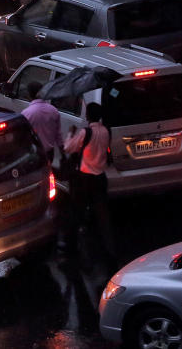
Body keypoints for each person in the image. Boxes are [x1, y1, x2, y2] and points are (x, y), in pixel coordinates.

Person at [62, 102, 114, 258]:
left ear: (88, 116)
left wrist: (70, 134)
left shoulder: (86, 133)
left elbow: (68, 148)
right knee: (102, 210)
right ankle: (108, 245)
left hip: (85, 178)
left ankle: (78, 244)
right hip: (101, 177)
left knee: (79, 209)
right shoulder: (106, 131)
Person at [21, 81, 61, 160]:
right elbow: (58, 135)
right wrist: (63, 153)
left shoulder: (26, 114)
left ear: (29, 94)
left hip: (34, 153)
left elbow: (23, 136)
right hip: (49, 153)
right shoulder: (53, 110)